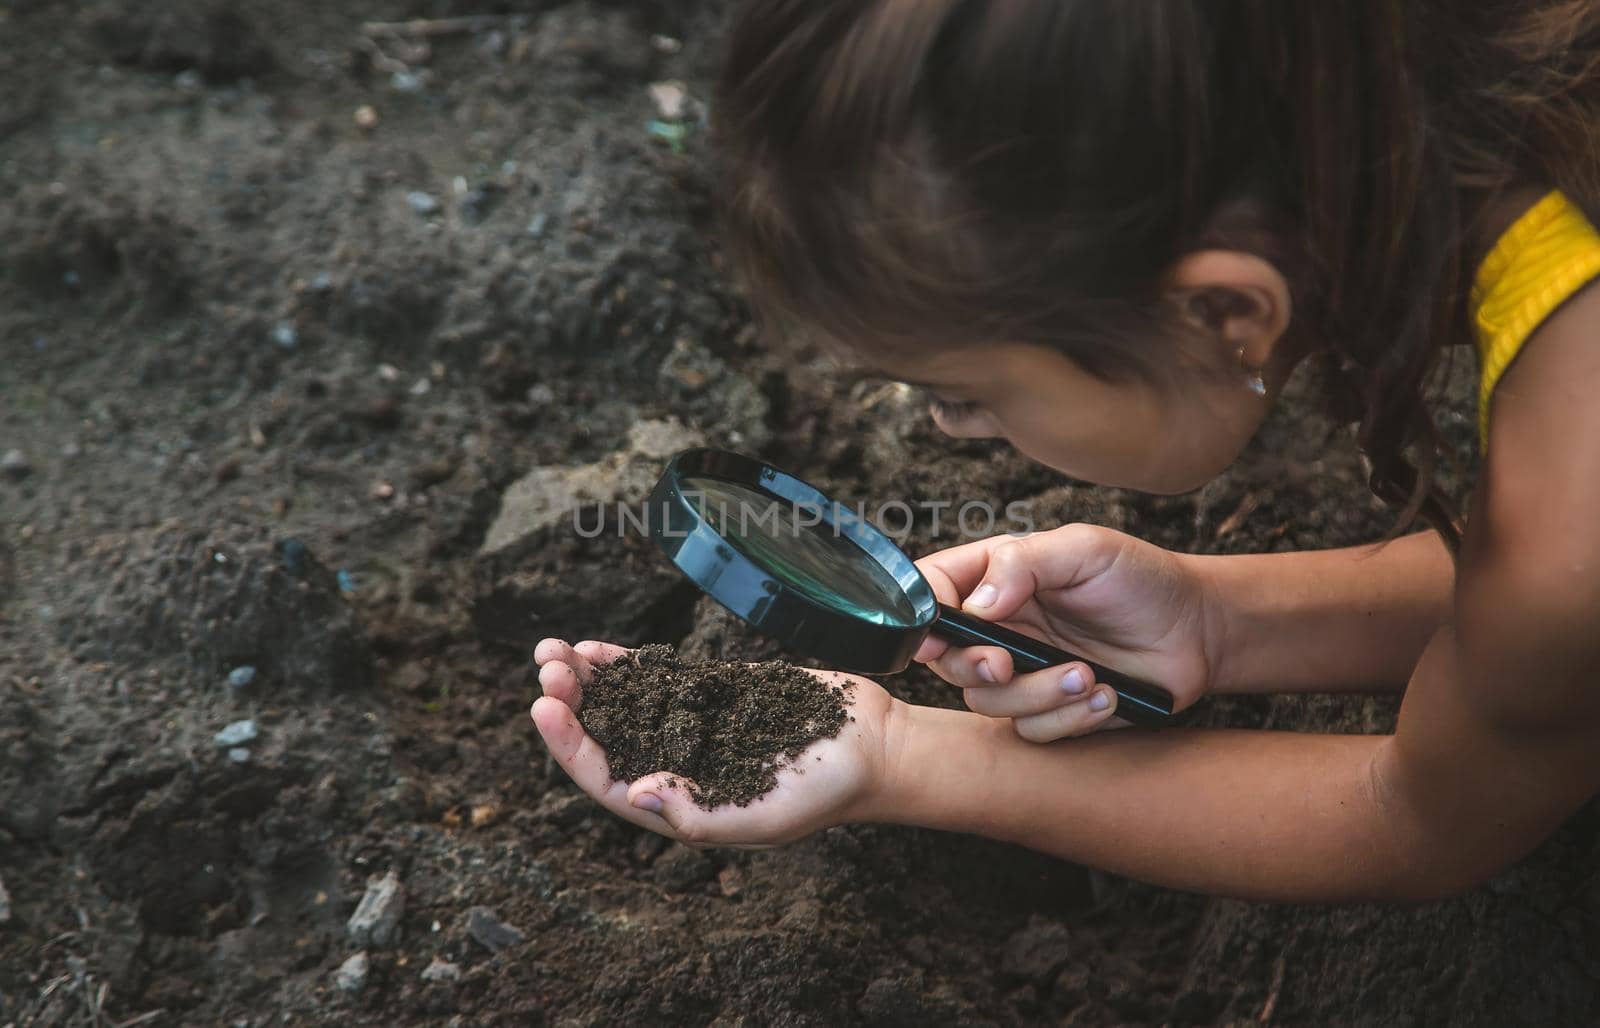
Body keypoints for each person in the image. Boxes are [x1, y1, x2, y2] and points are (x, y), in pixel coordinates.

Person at [531, 1, 1600, 901]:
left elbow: (1416, 813)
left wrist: (903, 757)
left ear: (1226, 313)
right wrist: (1219, 621)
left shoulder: (1569, 522)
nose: (940, 426)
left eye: (965, 393)